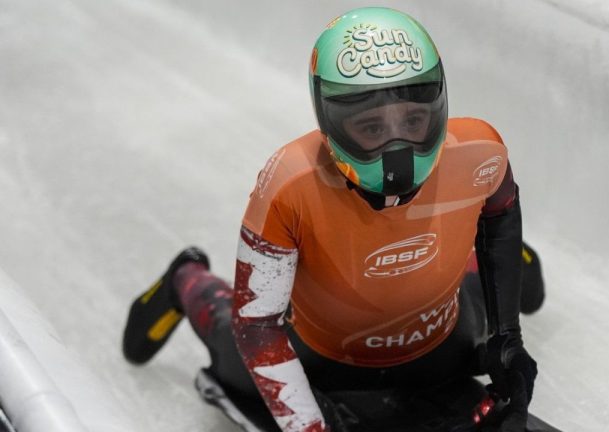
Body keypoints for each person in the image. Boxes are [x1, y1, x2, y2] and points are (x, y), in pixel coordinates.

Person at [122, 7, 545, 432]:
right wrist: (307, 424)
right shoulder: (289, 184)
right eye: (372, 127)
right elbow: (255, 326)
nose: (397, 142)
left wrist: (507, 338)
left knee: (500, 262)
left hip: (443, 343)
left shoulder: (481, 154)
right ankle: (186, 278)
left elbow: (499, 218)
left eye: (413, 119)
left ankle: (479, 249)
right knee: (229, 341)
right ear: (331, 123)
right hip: (318, 360)